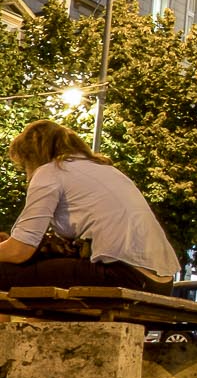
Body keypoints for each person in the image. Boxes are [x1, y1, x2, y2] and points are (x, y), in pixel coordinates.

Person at [0, 120, 181, 291]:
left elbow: (20, 250)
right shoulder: (107, 170)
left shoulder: (51, 172)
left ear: (31, 157)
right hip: (160, 283)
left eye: (24, 166)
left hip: (122, 276)